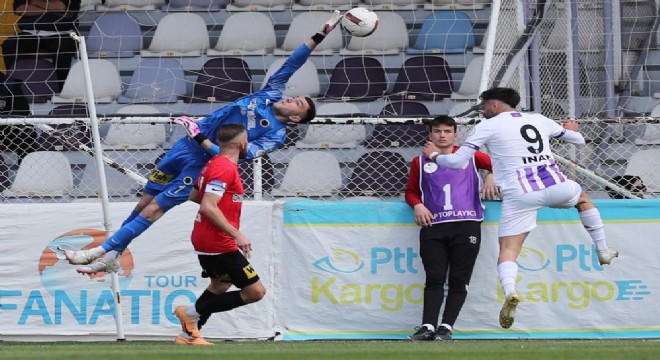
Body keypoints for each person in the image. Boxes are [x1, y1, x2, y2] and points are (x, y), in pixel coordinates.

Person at [61, 11, 343, 274]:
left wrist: (200, 137)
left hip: (202, 164)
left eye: (299, 105)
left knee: (154, 209)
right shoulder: (272, 91)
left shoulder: (275, 136)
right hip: (183, 147)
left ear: (296, 119)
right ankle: (113, 255)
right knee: (143, 203)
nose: (294, 98)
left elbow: (232, 156)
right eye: (297, 96)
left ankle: (97, 251)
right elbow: (294, 61)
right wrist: (320, 34)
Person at [422, 87, 619, 329]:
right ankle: (603, 248)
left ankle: (510, 291)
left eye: (484, 105)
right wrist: (572, 130)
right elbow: (577, 139)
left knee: (509, 249)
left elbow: (456, 161)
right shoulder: (539, 119)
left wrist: (433, 157)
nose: (483, 110)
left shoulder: (487, 126)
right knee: (583, 199)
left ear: (494, 106)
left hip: (520, 194)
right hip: (556, 185)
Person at [405, 116, 498, 341]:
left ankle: (446, 327)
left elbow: (500, 164)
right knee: (435, 277)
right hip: (434, 226)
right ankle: (427, 326)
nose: (442, 135)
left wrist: (491, 176)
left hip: (467, 224)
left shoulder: (470, 156)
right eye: (437, 131)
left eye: (447, 131)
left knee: (459, 278)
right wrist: (417, 205)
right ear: (430, 134)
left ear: (456, 135)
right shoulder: (419, 161)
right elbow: (411, 191)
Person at [172, 123, 265, 346]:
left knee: (220, 286)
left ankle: (188, 336)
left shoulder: (212, 164)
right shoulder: (224, 168)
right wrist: (236, 234)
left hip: (206, 236)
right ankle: (190, 312)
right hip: (217, 241)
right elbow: (207, 206)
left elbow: (195, 196)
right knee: (255, 292)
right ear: (243, 144)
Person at [2, 0, 81, 92]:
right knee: (10, 44)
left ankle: (61, 90)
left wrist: (33, 2)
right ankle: (14, 89)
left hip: (62, 33)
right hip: (31, 33)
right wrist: (49, 9)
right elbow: (21, 9)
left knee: (64, 48)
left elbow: (60, 7)